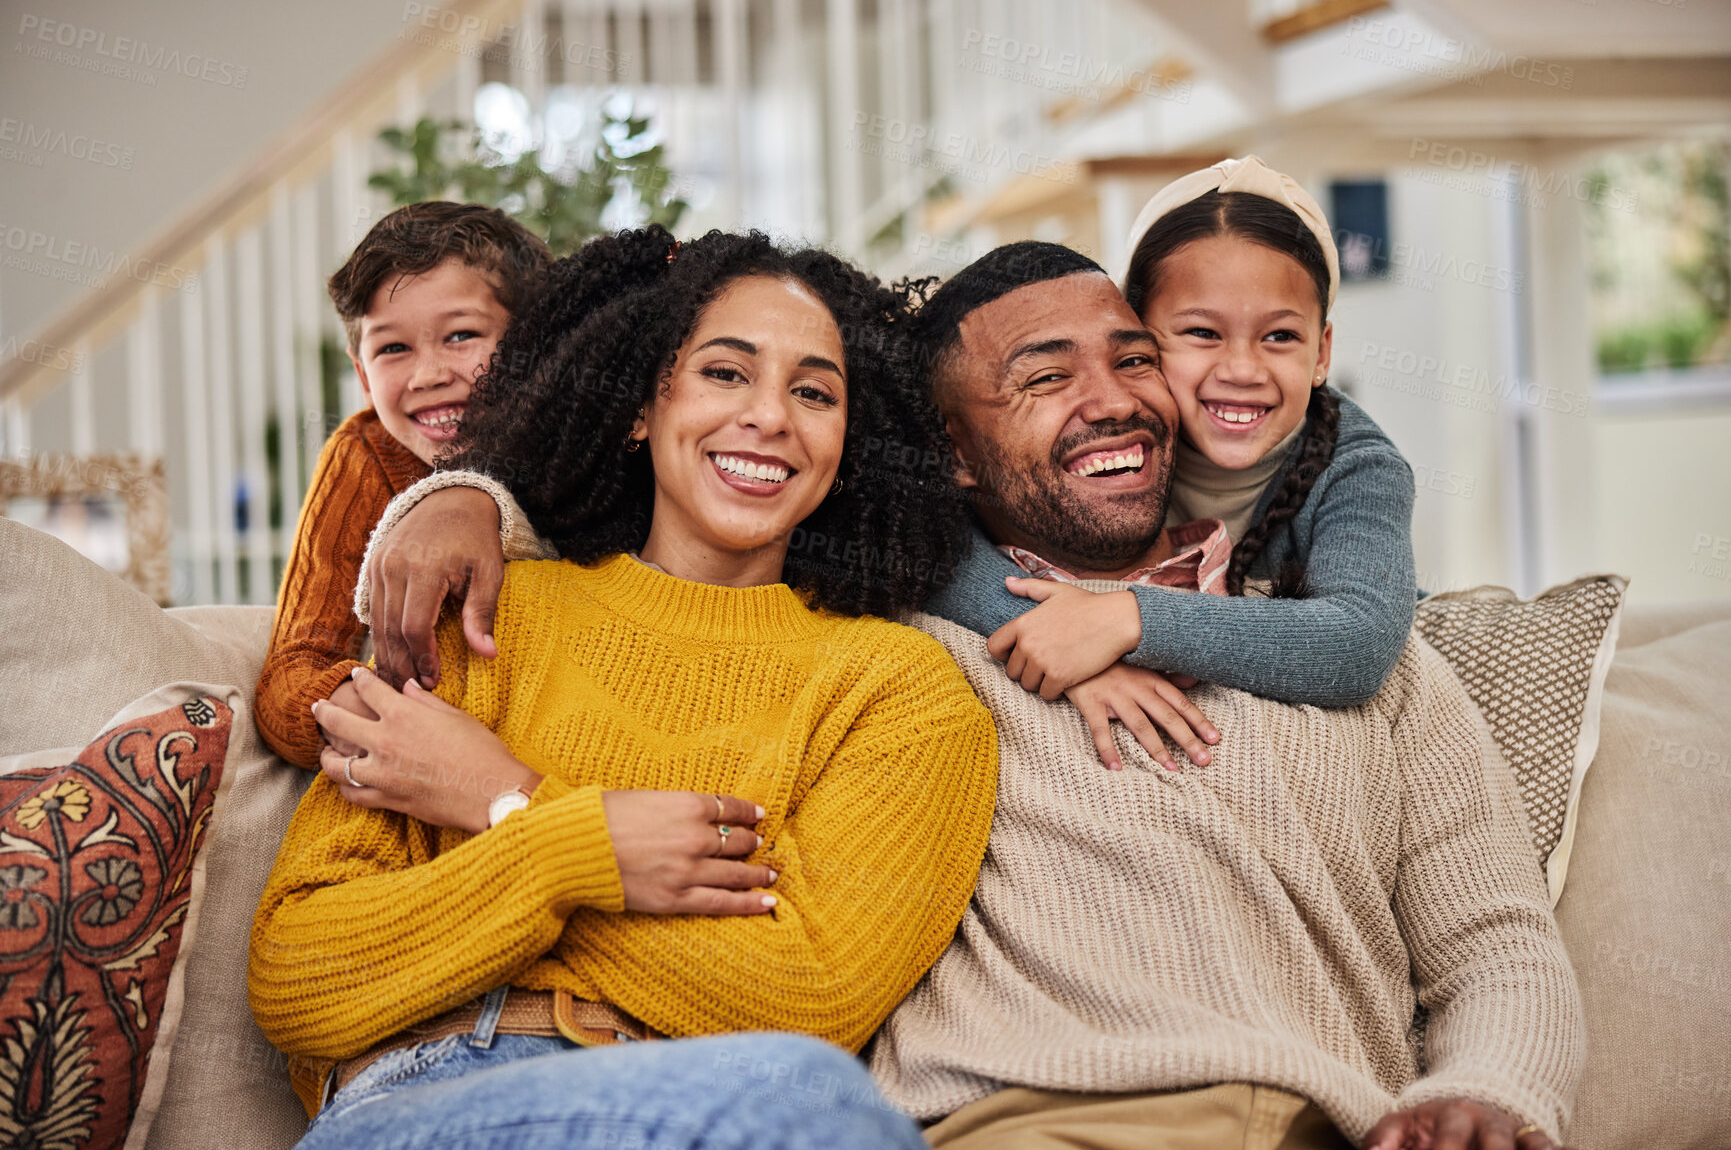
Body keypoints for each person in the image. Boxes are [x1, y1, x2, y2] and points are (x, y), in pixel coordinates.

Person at [357, 241, 1584, 1150]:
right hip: (985, 1127)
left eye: (1136, 359)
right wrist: (461, 496)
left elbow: (1496, 944)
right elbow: (691, 448)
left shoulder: (1362, 660)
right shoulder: (904, 655)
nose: (1113, 399)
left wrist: (1484, 1094)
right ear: (947, 452)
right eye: (1046, 379)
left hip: (1320, 1121)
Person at [248, 227, 999, 1149]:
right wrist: (583, 853)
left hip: (721, 1108)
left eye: (813, 391)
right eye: (726, 373)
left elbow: (809, 997)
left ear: (851, 439)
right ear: (641, 406)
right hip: (425, 1094)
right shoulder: (488, 615)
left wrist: (507, 801)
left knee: (811, 1094)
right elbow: (299, 972)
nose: (770, 416)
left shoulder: (899, 691)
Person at [925, 157, 1417, 766]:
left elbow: (1357, 644)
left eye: (1281, 337)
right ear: (1139, 328)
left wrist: (1127, 623)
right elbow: (930, 542)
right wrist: (1058, 649)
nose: (1242, 371)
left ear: (1323, 353)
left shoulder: (1358, 466)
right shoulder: (1129, 424)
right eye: (1202, 334)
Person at [253, 200, 552, 769]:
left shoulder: (596, 446)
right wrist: (400, 732)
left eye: (461, 335)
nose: (428, 375)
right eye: (393, 348)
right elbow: (292, 671)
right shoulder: (367, 456)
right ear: (363, 375)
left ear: (538, 346)